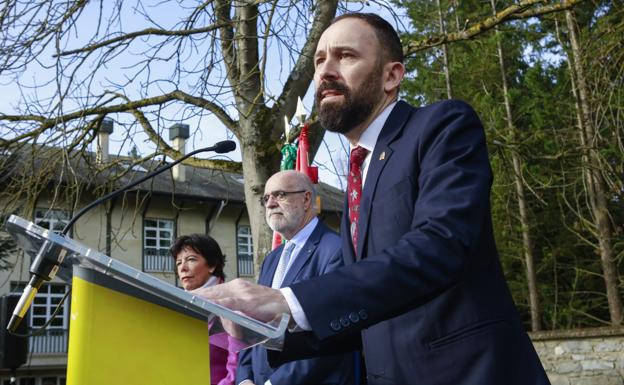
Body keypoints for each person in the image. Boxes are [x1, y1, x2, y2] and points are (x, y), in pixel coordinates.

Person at [195, 12, 551, 385]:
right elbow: (368, 309)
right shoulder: (356, 172)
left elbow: (439, 245)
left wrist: (289, 300)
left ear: (391, 76)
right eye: (319, 60)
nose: (325, 71)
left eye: (345, 56)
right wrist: (271, 333)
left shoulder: (442, 126)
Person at [236, 170, 356, 385]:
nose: (270, 203)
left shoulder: (335, 250)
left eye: (280, 195)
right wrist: (244, 377)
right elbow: (254, 323)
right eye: (266, 198)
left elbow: (329, 334)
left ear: (306, 199)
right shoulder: (272, 260)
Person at [170, 234, 237, 385]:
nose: (183, 267)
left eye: (191, 259)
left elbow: (238, 363)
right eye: (178, 262)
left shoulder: (232, 303)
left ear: (212, 265)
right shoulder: (176, 304)